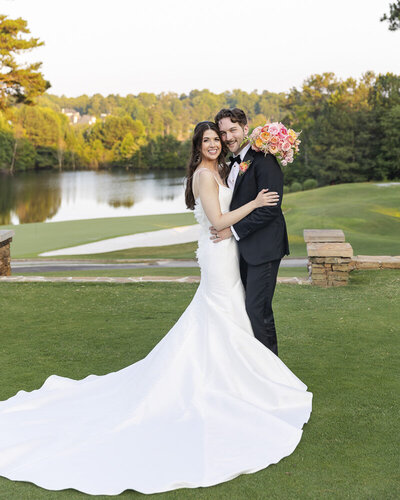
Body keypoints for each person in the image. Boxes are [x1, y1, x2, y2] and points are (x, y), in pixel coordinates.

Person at [0, 121, 312, 496]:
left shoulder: (225, 168)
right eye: (208, 140)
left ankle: (246, 382)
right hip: (219, 253)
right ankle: (233, 386)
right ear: (197, 146)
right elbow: (217, 222)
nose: (215, 143)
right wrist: (256, 203)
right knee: (222, 315)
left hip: (230, 253)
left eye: (219, 138)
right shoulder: (203, 175)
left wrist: (253, 199)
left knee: (234, 315)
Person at [212, 108, 290, 356]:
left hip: (264, 248)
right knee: (246, 310)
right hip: (244, 250)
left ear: (246, 129)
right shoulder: (231, 164)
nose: (228, 137)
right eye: (222, 133)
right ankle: (255, 370)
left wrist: (231, 231)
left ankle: (274, 374)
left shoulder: (264, 160)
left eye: (233, 130)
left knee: (258, 311)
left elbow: (270, 209)